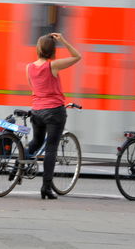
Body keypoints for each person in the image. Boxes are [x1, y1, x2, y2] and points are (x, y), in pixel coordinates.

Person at [26, 33, 81, 200]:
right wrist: (63, 40)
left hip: (36, 110)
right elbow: (77, 56)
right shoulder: (53, 66)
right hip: (54, 112)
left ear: (38, 49)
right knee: (51, 148)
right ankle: (46, 187)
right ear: (52, 51)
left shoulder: (29, 67)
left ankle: (17, 168)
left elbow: (33, 89)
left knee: (36, 141)